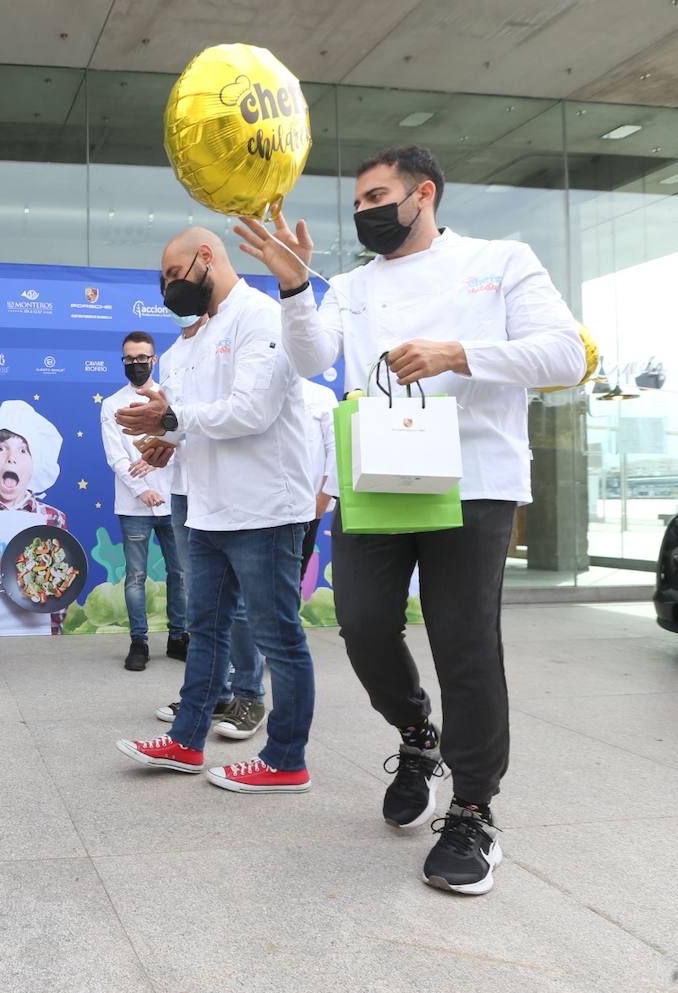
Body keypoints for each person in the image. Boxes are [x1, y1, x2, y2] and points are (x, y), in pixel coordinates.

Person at [234, 143, 584, 895]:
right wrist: (296, 287)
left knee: (464, 641)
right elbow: (309, 356)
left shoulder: (501, 261)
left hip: (475, 482)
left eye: (379, 196)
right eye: (358, 203)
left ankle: (473, 809)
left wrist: (460, 352)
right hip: (378, 478)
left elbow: (564, 355)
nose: (366, 212)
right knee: (361, 625)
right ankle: (418, 735)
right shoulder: (353, 287)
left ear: (424, 193)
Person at [114, 225, 317, 795]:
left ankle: (285, 760)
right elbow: (192, 418)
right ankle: (186, 740)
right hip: (205, 510)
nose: (169, 290)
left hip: (265, 510)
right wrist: (167, 437)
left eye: (175, 276)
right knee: (205, 633)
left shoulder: (261, 315)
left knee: (278, 637)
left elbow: (251, 410)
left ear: (207, 258)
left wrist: (173, 423)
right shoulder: (190, 344)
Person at [148, 303, 269, 743]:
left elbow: (235, 412)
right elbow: (175, 418)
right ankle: (211, 693)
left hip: (225, 486)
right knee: (204, 603)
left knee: (235, 605)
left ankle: (250, 693)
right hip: (184, 488)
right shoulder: (173, 356)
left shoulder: (233, 340)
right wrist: (161, 440)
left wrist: (175, 425)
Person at [98, 330, 185, 671]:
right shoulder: (112, 404)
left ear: (154, 359)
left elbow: (183, 445)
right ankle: (139, 642)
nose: (135, 364)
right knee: (135, 575)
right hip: (134, 506)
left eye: (142, 358)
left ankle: (179, 637)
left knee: (180, 572)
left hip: (174, 501)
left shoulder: (171, 399)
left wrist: (154, 458)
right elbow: (116, 457)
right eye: (129, 359)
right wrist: (141, 490)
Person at [0, 400, 69, 636]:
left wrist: (55, 637)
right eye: (1, 448)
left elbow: (62, 585)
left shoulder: (52, 518)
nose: (11, 458)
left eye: (23, 450)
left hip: (36, 637)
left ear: (34, 464)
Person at [299, 378, 338, 573]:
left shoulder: (320, 395)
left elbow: (336, 449)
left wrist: (320, 503)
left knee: (291, 580)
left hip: (306, 510)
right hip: (257, 506)